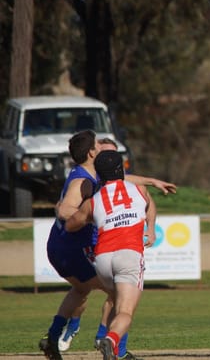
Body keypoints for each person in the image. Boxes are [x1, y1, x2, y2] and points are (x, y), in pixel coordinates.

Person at [39, 131, 175, 360]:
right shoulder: (82, 180)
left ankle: (52, 338)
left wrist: (151, 181)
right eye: (98, 143)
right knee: (119, 295)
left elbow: (120, 179)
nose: (102, 144)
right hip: (72, 249)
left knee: (81, 290)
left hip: (60, 247)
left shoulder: (92, 175)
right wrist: (96, 216)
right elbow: (63, 210)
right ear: (92, 152)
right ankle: (115, 349)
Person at [65, 150, 156, 360]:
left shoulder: (93, 201)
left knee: (115, 299)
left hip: (103, 259)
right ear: (121, 169)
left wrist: (82, 215)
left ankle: (116, 349)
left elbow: (71, 225)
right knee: (125, 310)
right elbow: (149, 206)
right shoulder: (139, 190)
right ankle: (110, 340)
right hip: (129, 254)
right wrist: (150, 227)